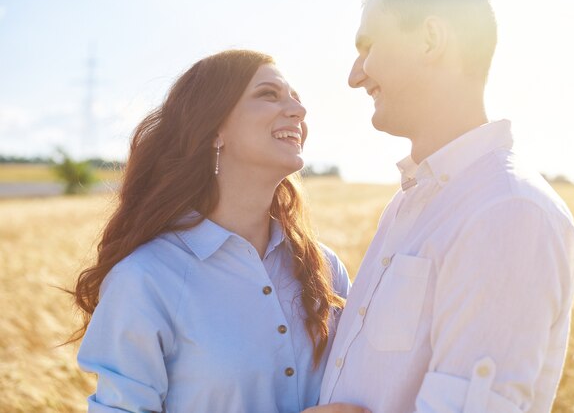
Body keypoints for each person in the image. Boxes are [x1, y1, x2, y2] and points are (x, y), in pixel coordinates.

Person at [319, 0, 574, 412]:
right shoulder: (407, 204)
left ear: (430, 39)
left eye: (368, 47)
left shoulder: (507, 211)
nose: (355, 76)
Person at [73, 50, 368, 413]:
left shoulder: (325, 268)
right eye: (268, 94)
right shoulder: (145, 278)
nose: (298, 110)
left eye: (296, 98)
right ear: (214, 129)